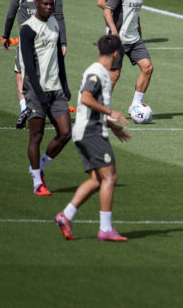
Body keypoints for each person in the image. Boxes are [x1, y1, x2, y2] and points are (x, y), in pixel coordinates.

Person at [54, 34, 132, 242]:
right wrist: (111, 112)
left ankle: (65, 215)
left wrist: (113, 127)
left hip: (86, 129)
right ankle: (105, 229)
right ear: (116, 54)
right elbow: (87, 99)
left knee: (97, 179)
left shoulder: (98, 71)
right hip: (91, 131)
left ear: (99, 50)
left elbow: (87, 105)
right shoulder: (98, 73)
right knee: (110, 177)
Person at [2, 0, 67, 129]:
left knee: (21, 72)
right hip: (49, 38)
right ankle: (50, 107)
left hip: (27, 39)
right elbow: (59, 16)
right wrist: (63, 42)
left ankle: (25, 108)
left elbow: (11, 14)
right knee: (48, 72)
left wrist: (6, 35)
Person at [19, 0, 73, 196]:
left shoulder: (54, 24)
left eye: (51, 4)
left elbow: (59, 57)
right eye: (45, 4)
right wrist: (40, 95)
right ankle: (37, 182)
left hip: (55, 88)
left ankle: (40, 166)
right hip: (35, 90)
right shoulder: (28, 29)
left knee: (66, 133)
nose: (49, 7)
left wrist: (65, 85)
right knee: (37, 135)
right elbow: (29, 66)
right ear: (36, 4)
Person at [102, 0, 153, 115]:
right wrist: (114, 32)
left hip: (134, 38)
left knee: (147, 68)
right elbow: (107, 10)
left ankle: (135, 105)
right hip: (118, 39)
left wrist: (140, 34)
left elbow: (135, 15)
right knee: (114, 75)